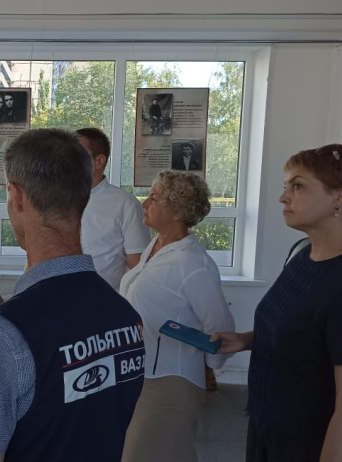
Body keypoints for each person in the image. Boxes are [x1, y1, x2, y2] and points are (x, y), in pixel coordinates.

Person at [0, 129, 146, 461]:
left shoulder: (2, 335)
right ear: (83, 196)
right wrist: (1, 310)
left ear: (16, 196)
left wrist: (4, 321)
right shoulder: (126, 318)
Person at [212, 144, 342, 462]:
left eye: (298, 186)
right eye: (286, 186)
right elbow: (307, 331)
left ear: (341, 195)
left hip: (308, 443)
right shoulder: (302, 253)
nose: (283, 197)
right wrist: (248, 340)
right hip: (268, 427)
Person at [119, 170, 235, 462]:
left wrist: (210, 368)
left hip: (170, 382)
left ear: (178, 210)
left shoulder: (193, 263)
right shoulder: (155, 247)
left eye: (154, 198)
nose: (144, 204)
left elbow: (221, 327)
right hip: (140, 374)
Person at [75, 128, 151, 291]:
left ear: (99, 161)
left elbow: (137, 268)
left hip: (107, 300)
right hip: (60, 298)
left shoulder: (125, 204)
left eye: (77, 154)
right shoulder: (54, 199)